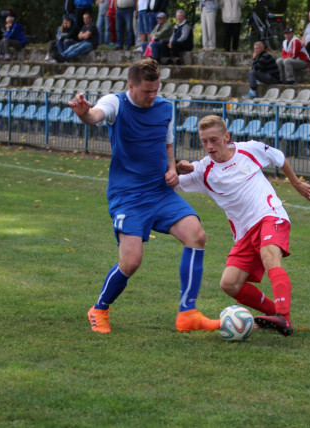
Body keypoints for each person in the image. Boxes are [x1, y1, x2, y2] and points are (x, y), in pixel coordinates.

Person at [68, 58, 219, 334]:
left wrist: (173, 170)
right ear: (131, 86)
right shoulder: (116, 103)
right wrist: (83, 113)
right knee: (131, 261)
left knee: (196, 235)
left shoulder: (165, 108)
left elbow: (167, 144)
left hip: (160, 192)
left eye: (156, 90)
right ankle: (99, 309)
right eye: (147, 91)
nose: (152, 96)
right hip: (127, 196)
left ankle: (188, 313)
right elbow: (95, 116)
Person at [175, 115, 310, 336]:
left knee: (269, 255)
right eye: (204, 141)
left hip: (270, 216)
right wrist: (177, 168)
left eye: (214, 140)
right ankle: (274, 314)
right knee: (229, 284)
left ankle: (283, 316)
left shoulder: (249, 150)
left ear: (226, 137)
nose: (209, 146)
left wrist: (296, 182)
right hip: (244, 233)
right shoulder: (201, 171)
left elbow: (277, 157)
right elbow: (170, 182)